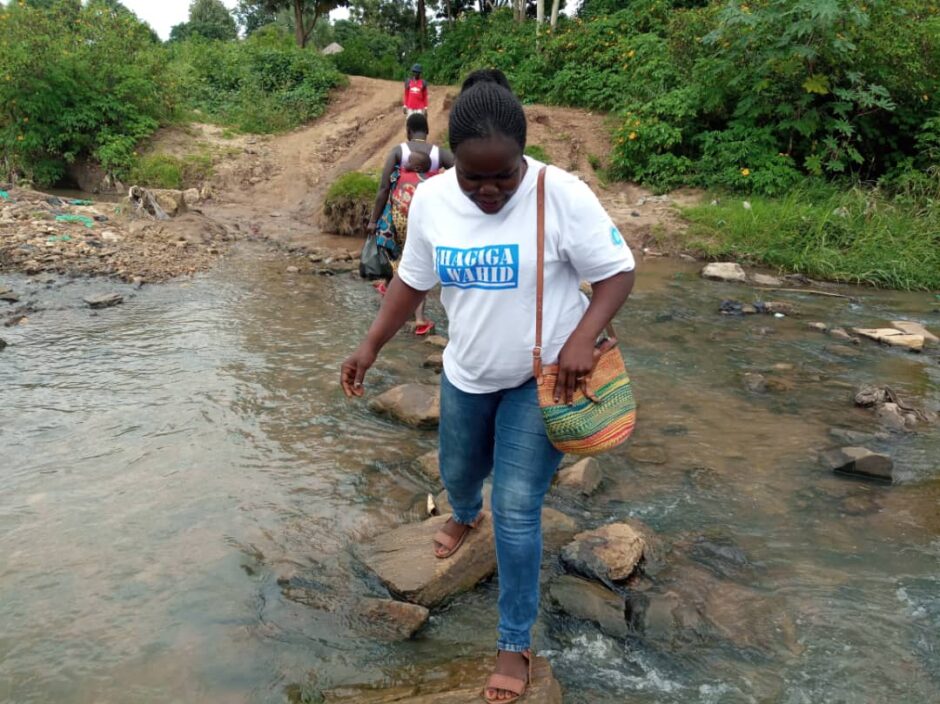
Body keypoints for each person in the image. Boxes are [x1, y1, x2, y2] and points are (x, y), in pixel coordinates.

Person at [343, 70, 635, 702]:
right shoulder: (432, 199)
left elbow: (617, 272)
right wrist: (369, 346)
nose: (489, 191)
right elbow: (411, 281)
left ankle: (513, 641)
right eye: (474, 178)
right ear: (455, 163)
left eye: (504, 176)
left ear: (523, 155)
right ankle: (463, 514)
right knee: (457, 471)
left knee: (519, 506)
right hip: (466, 373)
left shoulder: (561, 193)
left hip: (541, 380)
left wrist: (582, 337)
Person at [367, 112, 454, 335]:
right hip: (429, 215)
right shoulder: (439, 154)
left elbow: (384, 189)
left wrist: (374, 220)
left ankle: (390, 305)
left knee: (398, 258)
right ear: (427, 131)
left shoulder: (399, 151)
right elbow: (462, 174)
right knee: (421, 261)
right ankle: (419, 318)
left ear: (408, 131)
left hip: (399, 215)